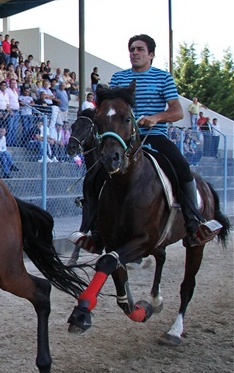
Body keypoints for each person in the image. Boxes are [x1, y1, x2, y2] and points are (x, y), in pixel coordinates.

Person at [71, 34, 222, 252]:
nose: (134, 53)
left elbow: (177, 111)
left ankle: (193, 223)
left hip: (154, 136)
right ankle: (93, 233)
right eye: (132, 49)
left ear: (151, 54)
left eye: (140, 49)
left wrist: (156, 118)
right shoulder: (118, 78)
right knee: (93, 177)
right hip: (121, 140)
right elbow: (107, 108)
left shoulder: (163, 78)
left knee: (180, 166)